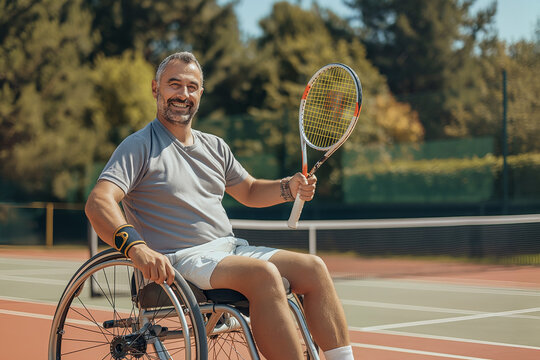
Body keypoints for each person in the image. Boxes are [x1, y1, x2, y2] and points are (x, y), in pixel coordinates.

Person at [85, 51, 354, 360]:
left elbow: (250, 190)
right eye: (174, 85)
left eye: (191, 86)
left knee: (314, 268)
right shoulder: (139, 145)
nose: (183, 94)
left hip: (229, 251)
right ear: (156, 89)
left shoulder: (215, 146)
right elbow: (99, 201)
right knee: (264, 275)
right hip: (178, 262)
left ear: (201, 93)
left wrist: (288, 187)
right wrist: (136, 248)